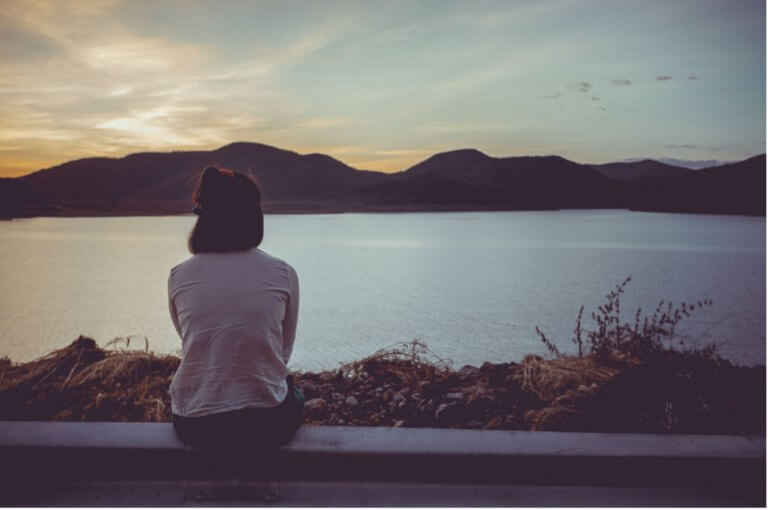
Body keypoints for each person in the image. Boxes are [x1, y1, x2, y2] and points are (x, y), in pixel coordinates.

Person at [167, 166, 304, 450]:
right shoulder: (283, 273)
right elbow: (282, 353)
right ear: (253, 216)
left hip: (194, 424)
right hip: (266, 425)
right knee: (296, 395)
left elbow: (191, 340)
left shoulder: (178, 276)